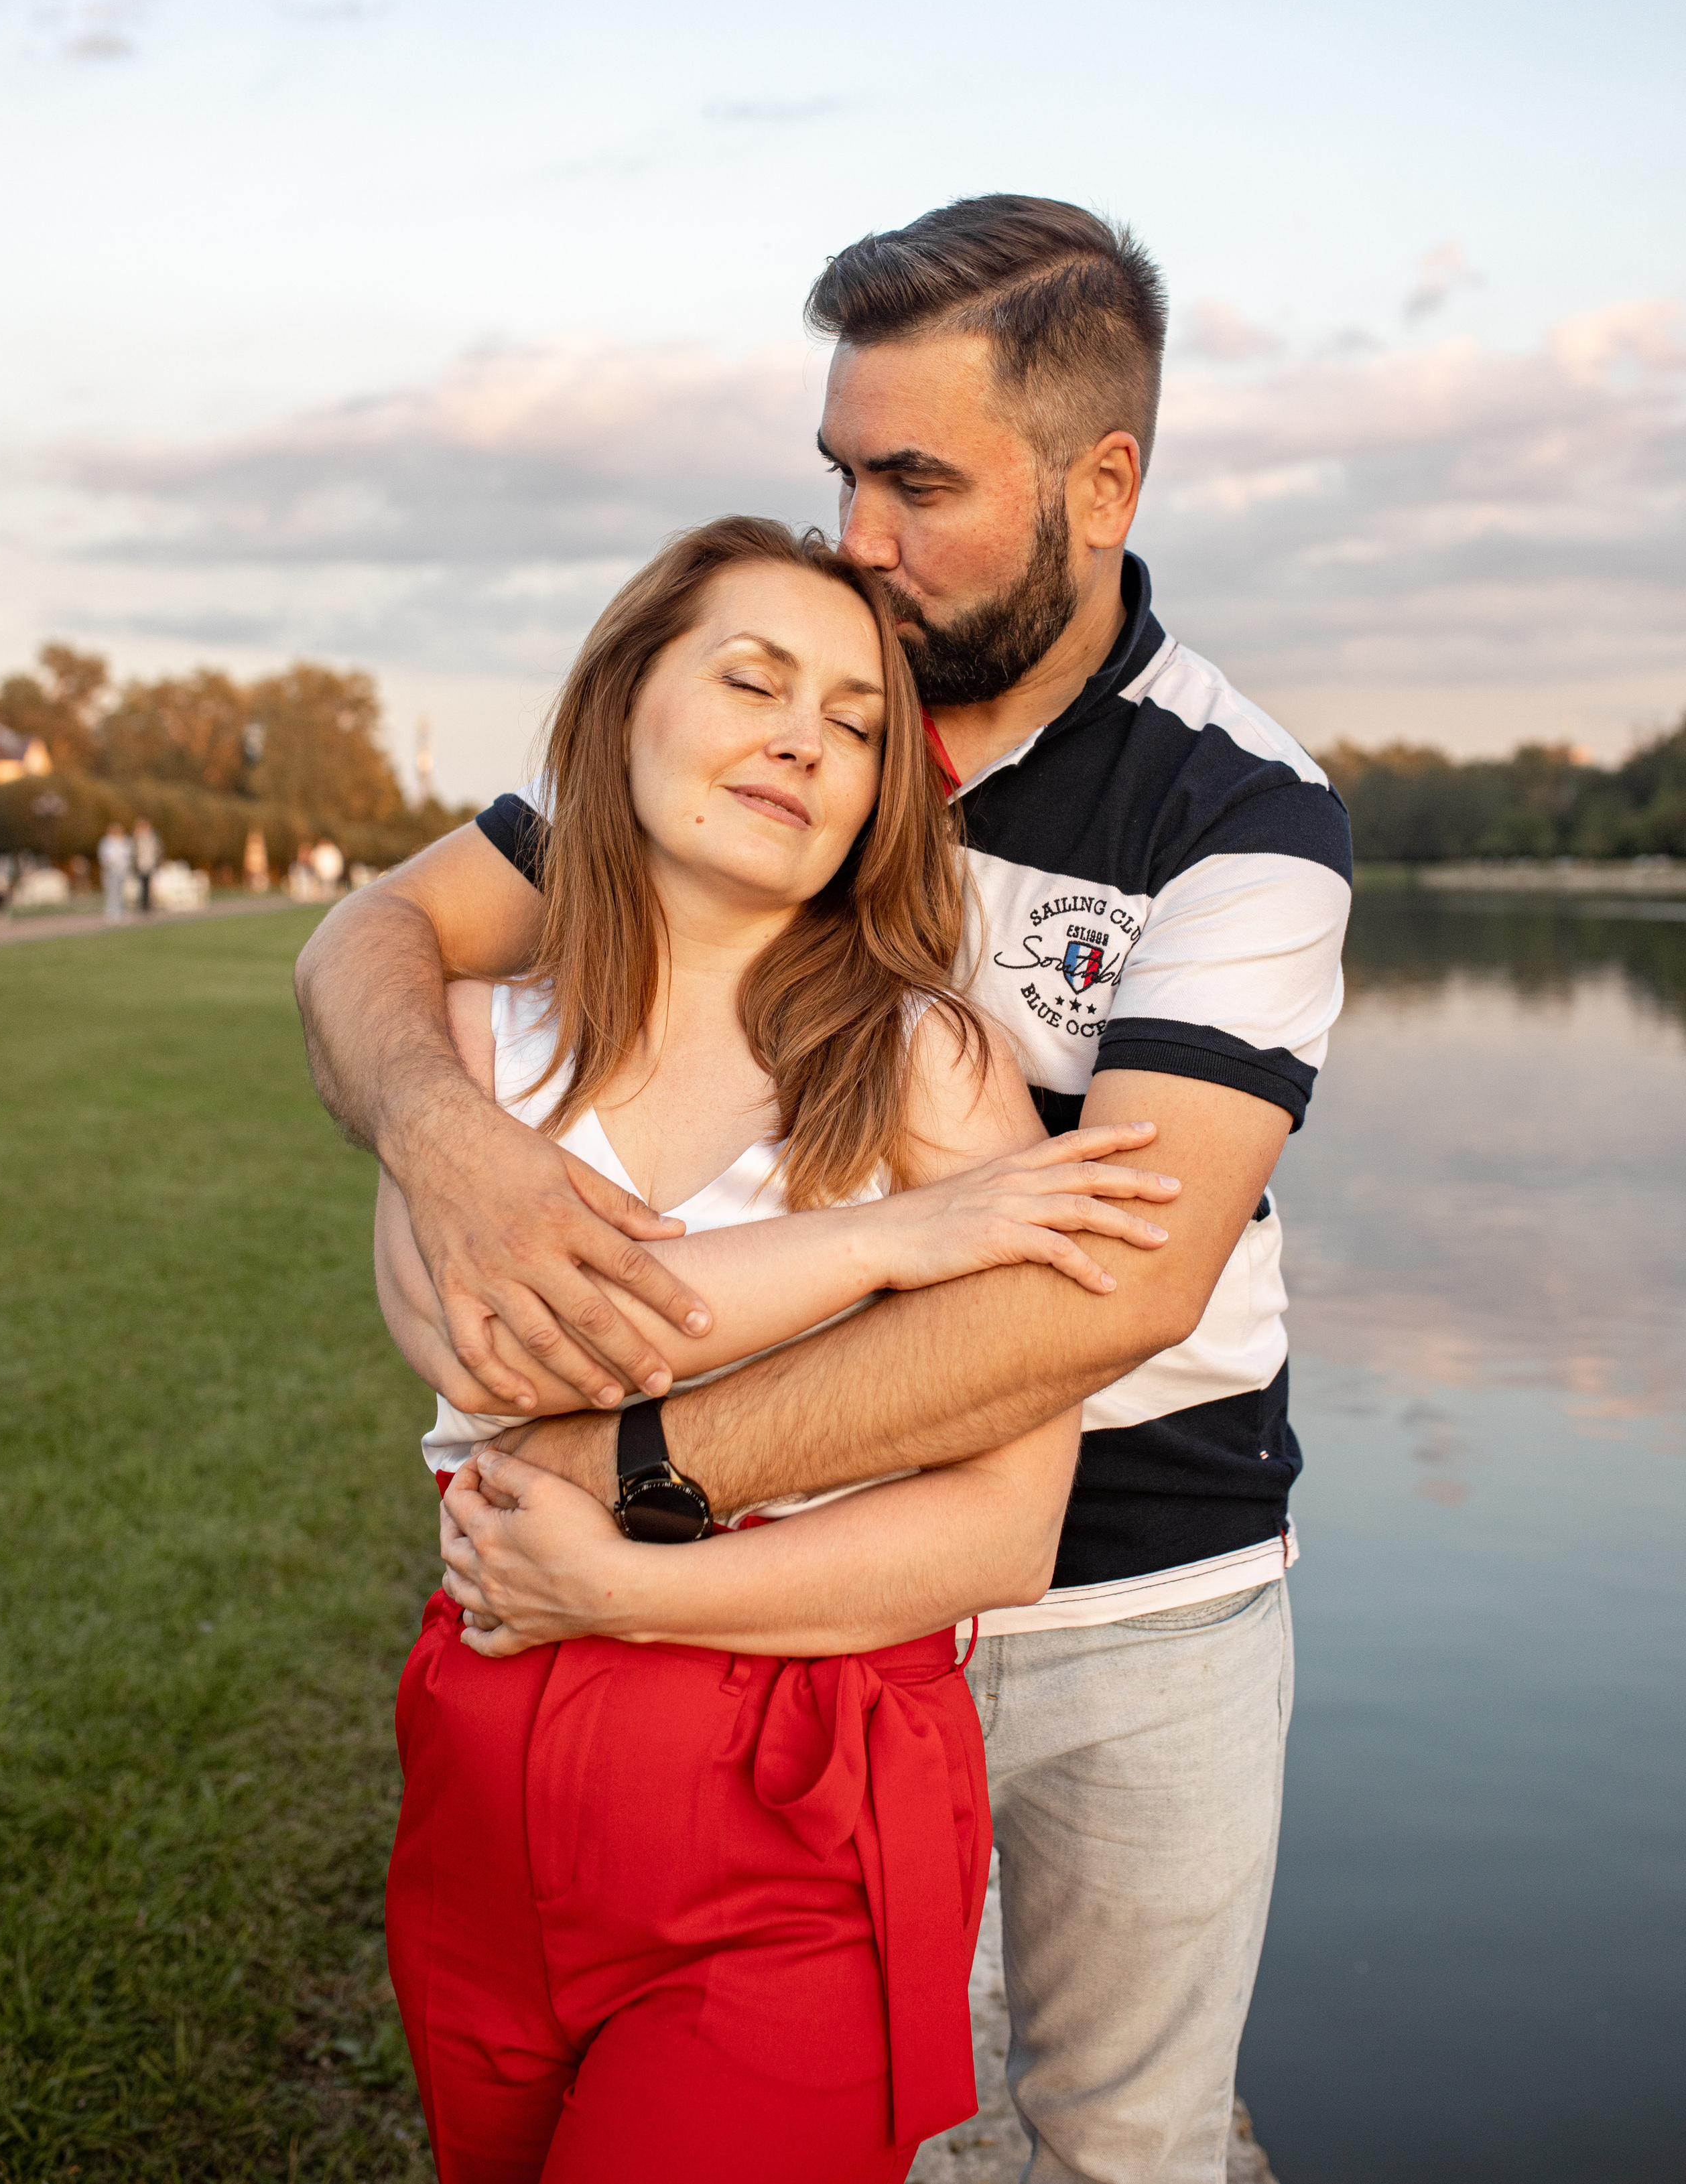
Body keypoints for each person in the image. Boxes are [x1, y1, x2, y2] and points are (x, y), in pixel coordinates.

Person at [297, 196, 1354, 2184]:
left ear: (1099, 479)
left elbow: (1103, 1289)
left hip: (1146, 1583)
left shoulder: (1242, 815)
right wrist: (449, 1155)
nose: (860, 535)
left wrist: (613, 1473)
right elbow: (376, 942)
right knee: (894, 2135)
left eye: (915, 480)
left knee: (1127, 2130)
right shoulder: (774, 714)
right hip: (812, 1614)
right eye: (840, 470)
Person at [369, 517, 1181, 2183]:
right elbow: (497, 1347)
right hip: (484, 1773)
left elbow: (1001, 1526)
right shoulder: (464, 1043)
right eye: (750, 678)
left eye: (858, 723)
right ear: (617, 711)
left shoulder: (932, 1065)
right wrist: (885, 1239)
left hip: (792, 1804)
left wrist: (623, 1587)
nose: (804, 736)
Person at [97, 821, 133, 922]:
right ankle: (111, 913)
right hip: (111, 870)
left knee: (121, 892)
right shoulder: (106, 841)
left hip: (122, 870)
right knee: (112, 892)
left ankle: (120, 913)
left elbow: (128, 855)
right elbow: (104, 856)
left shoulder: (125, 841)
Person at [131, 817, 161, 912]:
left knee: (150, 886)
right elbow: (134, 852)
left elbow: (157, 850)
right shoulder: (137, 839)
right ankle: (143, 906)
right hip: (141, 864)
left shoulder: (153, 837)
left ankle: (150, 906)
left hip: (150, 863)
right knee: (142, 886)